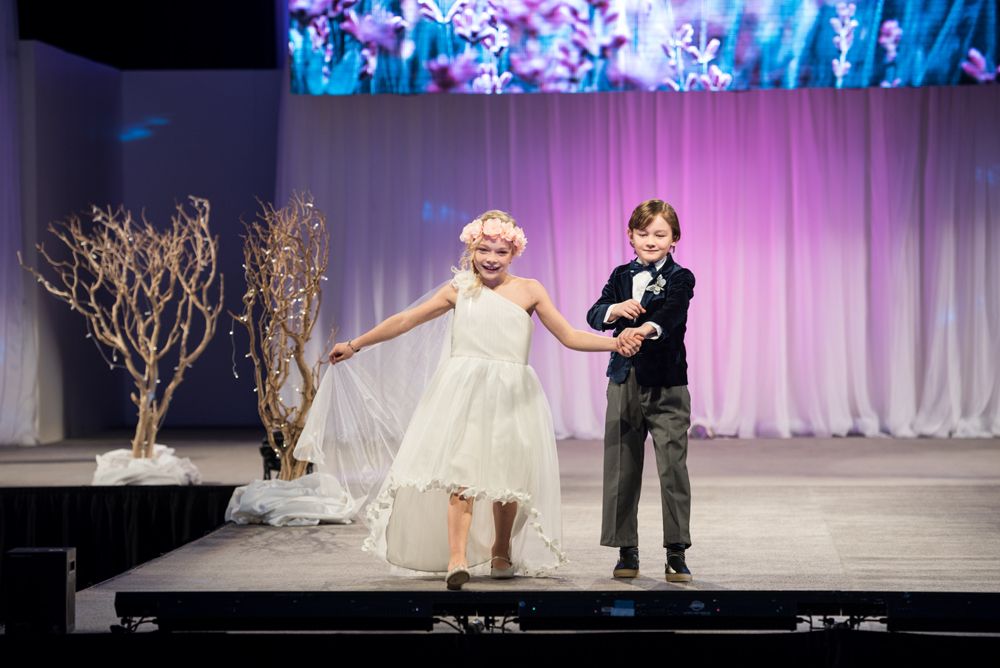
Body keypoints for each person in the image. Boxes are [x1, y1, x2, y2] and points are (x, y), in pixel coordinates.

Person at [327, 210, 637, 590]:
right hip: (465, 390)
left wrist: (616, 343)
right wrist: (355, 344)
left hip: (511, 393)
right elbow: (406, 320)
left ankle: (501, 549)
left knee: (506, 476)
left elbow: (569, 335)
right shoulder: (459, 289)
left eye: (501, 252)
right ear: (471, 249)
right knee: (463, 474)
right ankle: (456, 556)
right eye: (484, 249)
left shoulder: (530, 290)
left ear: (514, 253)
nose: (491, 258)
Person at [585, 199, 696, 583]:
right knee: (621, 466)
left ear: (674, 239)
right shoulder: (620, 275)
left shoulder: (681, 277)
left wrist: (641, 330)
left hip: (666, 382)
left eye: (660, 234)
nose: (651, 240)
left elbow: (671, 316)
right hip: (624, 379)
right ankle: (625, 548)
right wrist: (616, 311)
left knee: (672, 467)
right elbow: (595, 314)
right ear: (631, 236)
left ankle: (676, 551)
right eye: (643, 233)